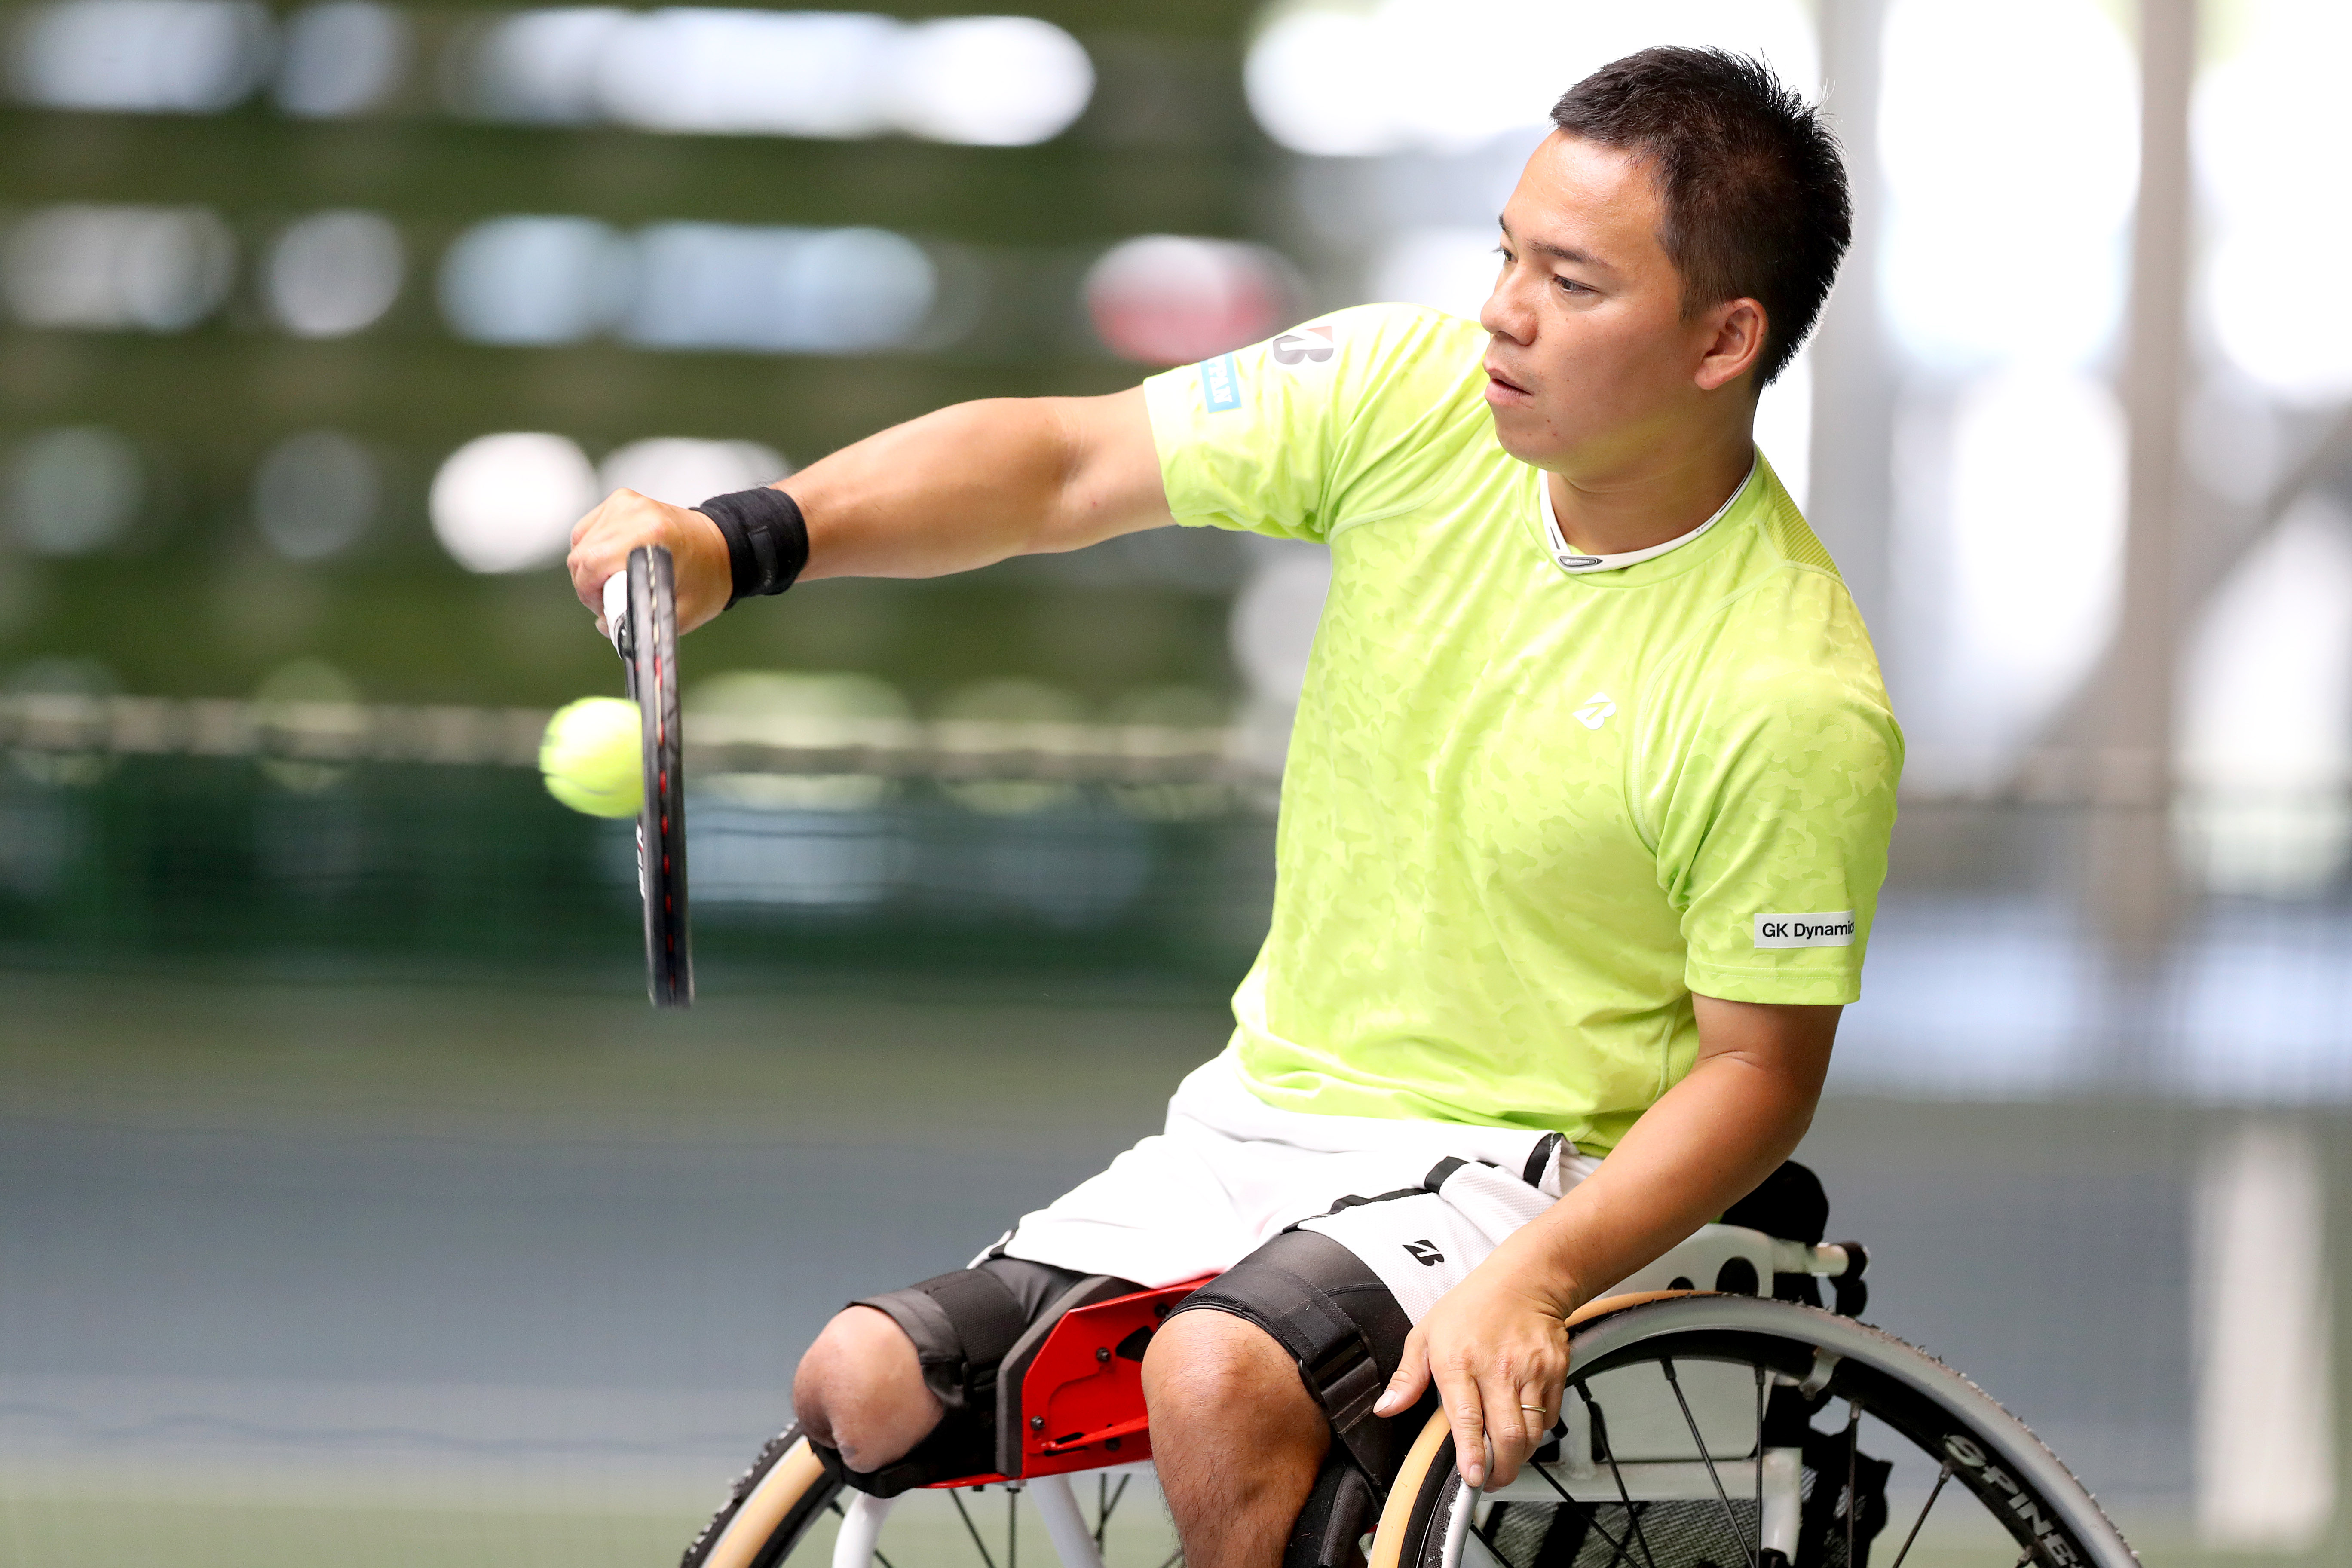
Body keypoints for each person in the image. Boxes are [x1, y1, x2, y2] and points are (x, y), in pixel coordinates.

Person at [569, 45, 1900, 1568]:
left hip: (1540, 1169)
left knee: (1215, 1374)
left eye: (1574, 283)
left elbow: (1754, 1074)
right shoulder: (1411, 397)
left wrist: (1538, 1278)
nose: (1504, 313)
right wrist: (751, 537)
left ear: (1725, 339)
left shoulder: (1789, 691)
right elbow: (1064, 463)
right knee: (863, 1383)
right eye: (1506, 254)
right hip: (1261, 1126)